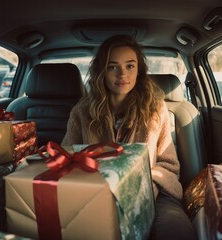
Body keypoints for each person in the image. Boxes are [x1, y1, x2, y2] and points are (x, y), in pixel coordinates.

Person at [62, 34, 197, 240]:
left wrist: (139, 185)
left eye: (130, 66)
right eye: (112, 66)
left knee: (176, 230)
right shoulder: (81, 112)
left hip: (153, 193)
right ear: (102, 71)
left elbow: (169, 166)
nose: (122, 74)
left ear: (139, 70)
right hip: (97, 192)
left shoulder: (155, 108)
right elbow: (65, 159)